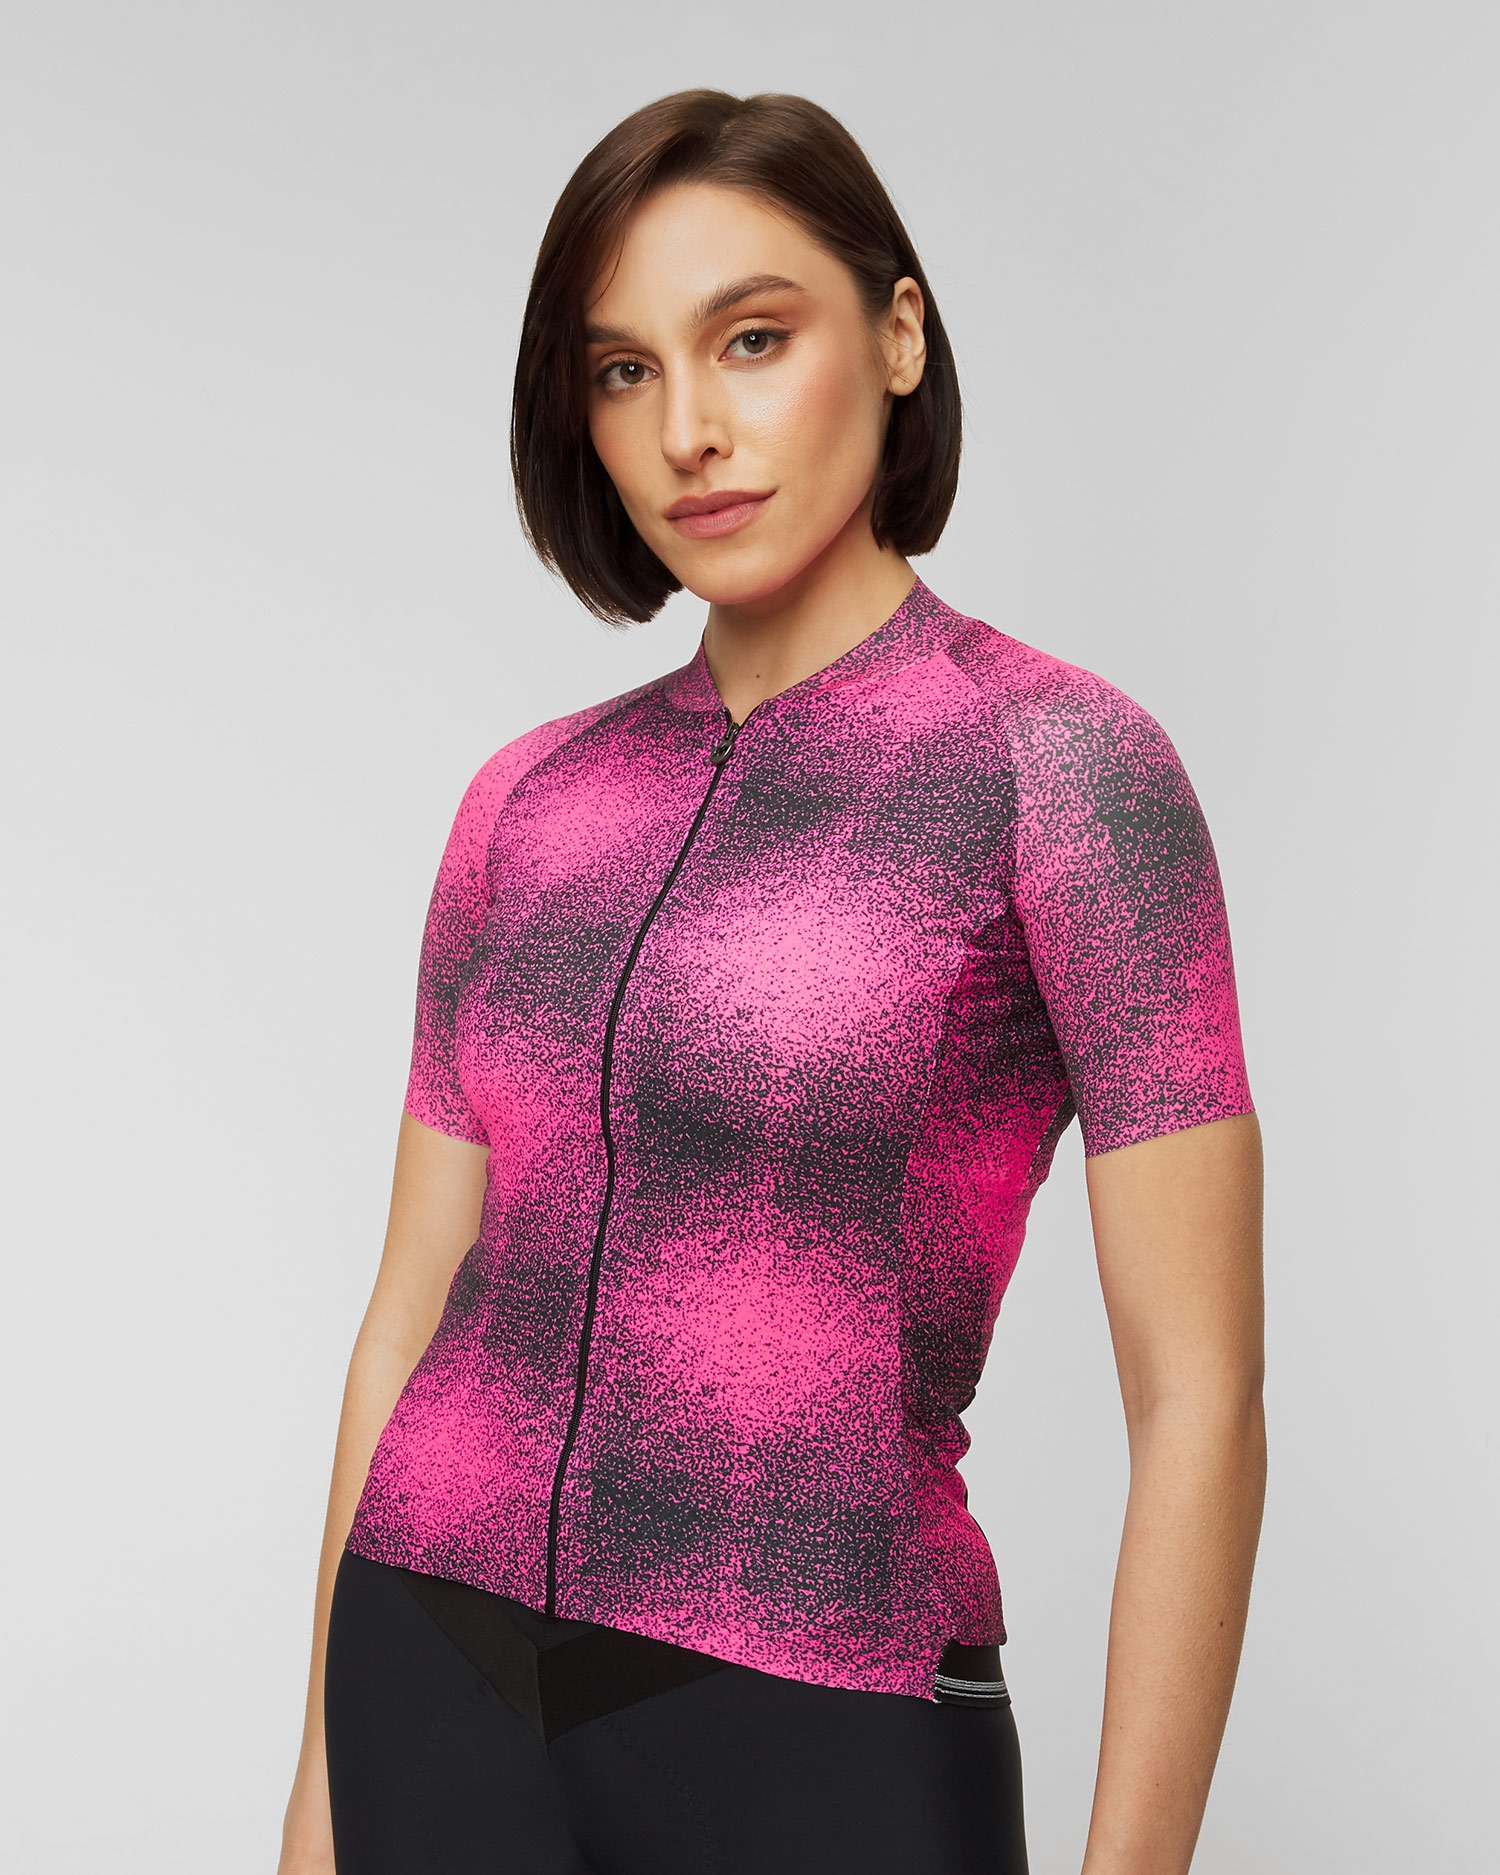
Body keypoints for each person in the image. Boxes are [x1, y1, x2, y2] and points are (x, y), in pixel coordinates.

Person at [276, 88, 1265, 1875]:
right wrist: (316, 1800)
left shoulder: (1060, 769)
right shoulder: (529, 803)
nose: (691, 432)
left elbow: (1198, 1399)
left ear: (897, 336)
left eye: (751, 338)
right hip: (426, 1669)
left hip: (818, 1713)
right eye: (624, 370)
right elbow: (409, 1310)